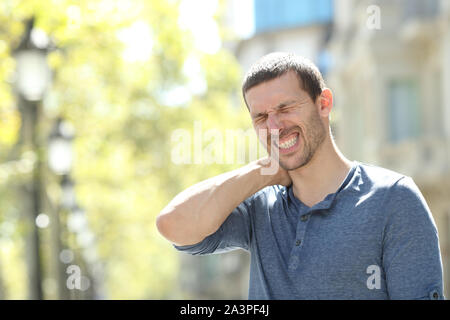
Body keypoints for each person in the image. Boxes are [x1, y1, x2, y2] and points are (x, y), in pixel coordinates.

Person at [156, 52, 445, 300]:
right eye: (260, 117)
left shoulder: (394, 199)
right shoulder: (261, 207)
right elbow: (173, 224)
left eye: (285, 108)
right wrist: (263, 171)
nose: (274, 126)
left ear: (324, 104)